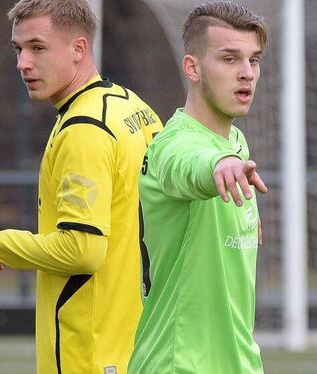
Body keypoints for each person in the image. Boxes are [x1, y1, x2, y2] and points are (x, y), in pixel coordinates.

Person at [0, 0, 163, 373]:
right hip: (136, 345)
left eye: (38, 48)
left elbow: (82, 249)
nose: (23, 63)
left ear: (79, 49)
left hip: (88, 352)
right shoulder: (132, 106)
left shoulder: (84, 130)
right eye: (19, 49)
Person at [128, 1, 268, 373]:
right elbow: (187, 165)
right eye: (229, 59)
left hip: (237, 363)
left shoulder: (236, 142)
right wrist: (218, 167)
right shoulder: (172, 145)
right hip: (180, 364)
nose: (247, 73)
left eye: (253, 60)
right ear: (192, 67)